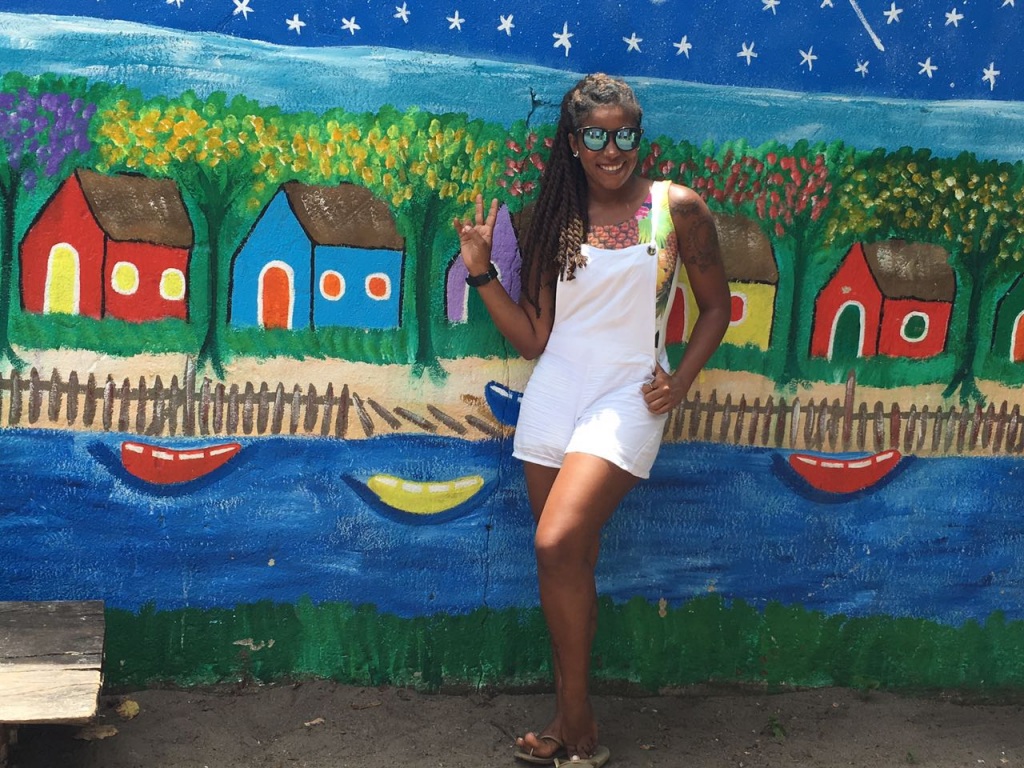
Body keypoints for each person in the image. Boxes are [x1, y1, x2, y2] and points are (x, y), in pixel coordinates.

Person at [454, 73, 731, 767]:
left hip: (629, 394)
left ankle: (576, 720)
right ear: (573, 143)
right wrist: (482, 273)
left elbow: (717, 307)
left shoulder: (676, 209)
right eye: (597, 136)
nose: (614, 150)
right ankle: (571, 726)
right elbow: (534, 339)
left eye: (626, 133)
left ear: (640, 135)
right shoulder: (557, 215)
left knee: (555, 542)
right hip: (555, 391)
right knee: (568, 560)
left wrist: (680, 379)